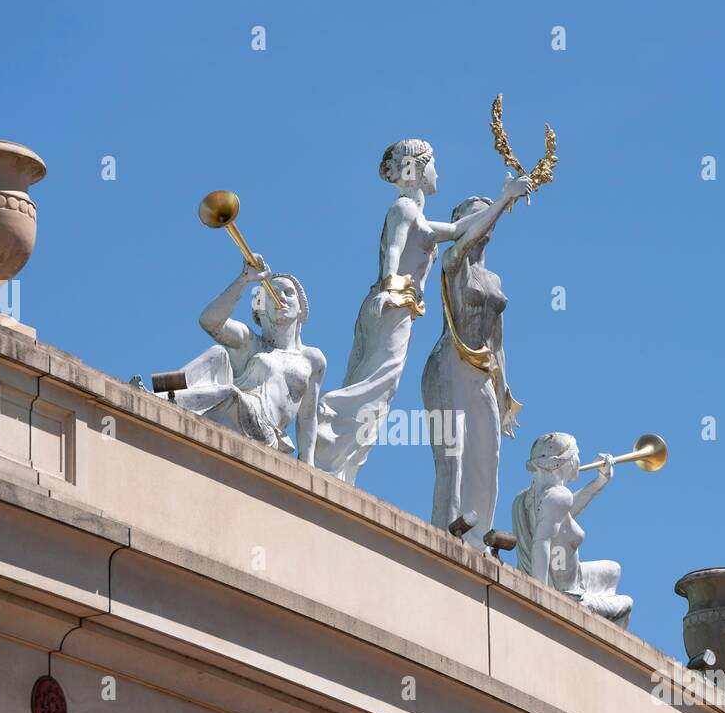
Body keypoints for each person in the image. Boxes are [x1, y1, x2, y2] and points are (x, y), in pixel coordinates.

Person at [314, 138, 530, 483]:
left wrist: (505, 198)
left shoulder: (420, 217)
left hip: (400, 309)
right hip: (392, 304)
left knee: (382, 388)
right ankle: (321, 418)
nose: (438, 173)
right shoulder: (403, 209)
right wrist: (388, 288)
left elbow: (463, 231)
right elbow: (394, 252)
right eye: (433, 164)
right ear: (416, 168)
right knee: (377, 382)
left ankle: (339, 462)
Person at [422, 196, 523, 549]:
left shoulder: (493, 278)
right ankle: (447, 530)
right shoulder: (453, 261)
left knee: (487, 454)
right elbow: (459, 247)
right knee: (453, 455)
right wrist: (505, 197)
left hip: (482, 370)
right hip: (448, 365)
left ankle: (481, 537)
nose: (485, 222)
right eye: (475, 216)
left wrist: (504, 390)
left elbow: (498, 342)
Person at [167, 256, 326, 463]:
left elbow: (307, 417)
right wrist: (244, 280)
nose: (282, 298)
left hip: (264, 430)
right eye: (272, 295)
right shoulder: (252, 343)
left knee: (230, 393)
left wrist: (308, 467)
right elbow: (209, 321)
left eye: (289, 293)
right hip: (238, 409)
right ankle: (159, 389)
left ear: (302, 308)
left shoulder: (312, 359)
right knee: (218, 354)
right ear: (262, 308)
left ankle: (167, 396)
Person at [511, 433, 633, 628]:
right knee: (626, 602)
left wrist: (599, 481)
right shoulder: (559, 497)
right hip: (569, 593)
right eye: (577, 454)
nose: (579, 459)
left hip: (570, 576)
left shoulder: (524, 500)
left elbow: (565, 510)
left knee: (613, 570)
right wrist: (539, 595)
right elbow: (541, 543)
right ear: (565, 462)